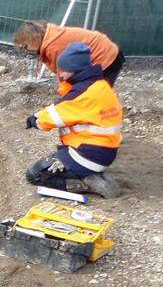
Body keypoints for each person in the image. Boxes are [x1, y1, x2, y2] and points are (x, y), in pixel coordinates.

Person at [24, 42, 123, 198]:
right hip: (102, 151)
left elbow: (54, 117)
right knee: (56, 158)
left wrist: (34, 121)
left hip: (87, 155)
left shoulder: (84, 92)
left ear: (75, 69)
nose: (60, 74)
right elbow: (62, 107)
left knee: (35, 174)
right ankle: (90, 173)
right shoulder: (98, 85)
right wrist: (40, 114)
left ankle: (87, 183)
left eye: (63, 70)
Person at [14, 20, 123, 86]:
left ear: (35, 38)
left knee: (93, 94)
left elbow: (66, 74)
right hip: (106, 52)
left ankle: (104, 118)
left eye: (26, 46)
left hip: (106, 58)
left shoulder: (53, 47)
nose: (26, 49)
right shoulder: (51, 34)